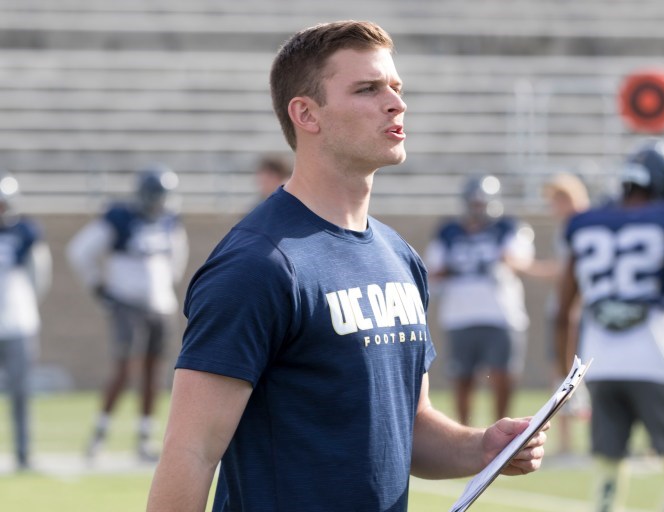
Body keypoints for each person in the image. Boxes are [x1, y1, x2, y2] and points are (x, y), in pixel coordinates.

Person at [147, 20, 546, 512]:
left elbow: (410, 426)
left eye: (396, 87)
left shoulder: (400, 256)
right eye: (368, 89)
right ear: (306, 114)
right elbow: (191, 451)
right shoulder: (257, 264)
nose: (396, 103)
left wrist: (483, 447)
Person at [555, 139, 664, 512]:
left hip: (598, 360)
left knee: (608, 469)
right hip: (655, 356)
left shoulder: (585, 222)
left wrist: (566, 377)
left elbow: (563, 311)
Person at [67, 164, 189, 462]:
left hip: (160, 306)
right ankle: (99, 434)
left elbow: (177, 258)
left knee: (154, 371)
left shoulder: (170, 220)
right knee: (124, 369)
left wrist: (163, 286)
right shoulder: (120, 217)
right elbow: (80, 251)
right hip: (127, 304)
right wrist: (99, 288)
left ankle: (144, 437)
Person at [424, 174, 535, 425]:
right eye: (474, 203)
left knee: (503, 375)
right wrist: (453, 269)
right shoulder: (448, 231)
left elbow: (520, 261)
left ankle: (503, 429)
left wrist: (504, 261)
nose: (478, 208)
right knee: (462, 377)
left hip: (501, 314)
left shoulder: (508, 227)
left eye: (482, 203)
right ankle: (464, 431)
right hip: (460, 315)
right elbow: (434, 271)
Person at [0, 172, 52, 471]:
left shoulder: (26, 232)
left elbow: (39, 275)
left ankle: (22, 452)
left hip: (17, 322)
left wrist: (26, 307)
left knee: (21, 392)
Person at [541, 172, 592, 455]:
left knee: (578, 372)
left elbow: (568, 273)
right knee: (560, 372)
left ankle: (587, 438)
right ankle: (565, 441)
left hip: (583, 311)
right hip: (564, 309)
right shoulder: (567, 228)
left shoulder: (583, 227)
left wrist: (528, 267)